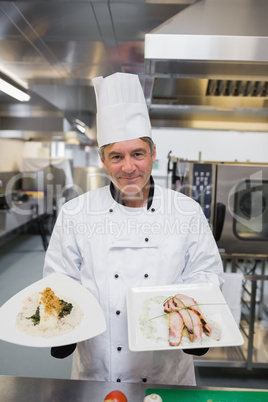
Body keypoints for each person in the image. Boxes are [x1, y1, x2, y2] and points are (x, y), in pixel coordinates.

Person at [43, 72, 224, 386]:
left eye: (137, 154)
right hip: (98, 370)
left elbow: (205, 274)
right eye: (117, 156)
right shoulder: (76, 213)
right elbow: (60, 279)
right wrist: (61, 327)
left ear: (153, 154)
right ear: (103, 160)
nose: (128, 167)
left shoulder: (186, 211)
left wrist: (199, 319)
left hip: (168, 371)